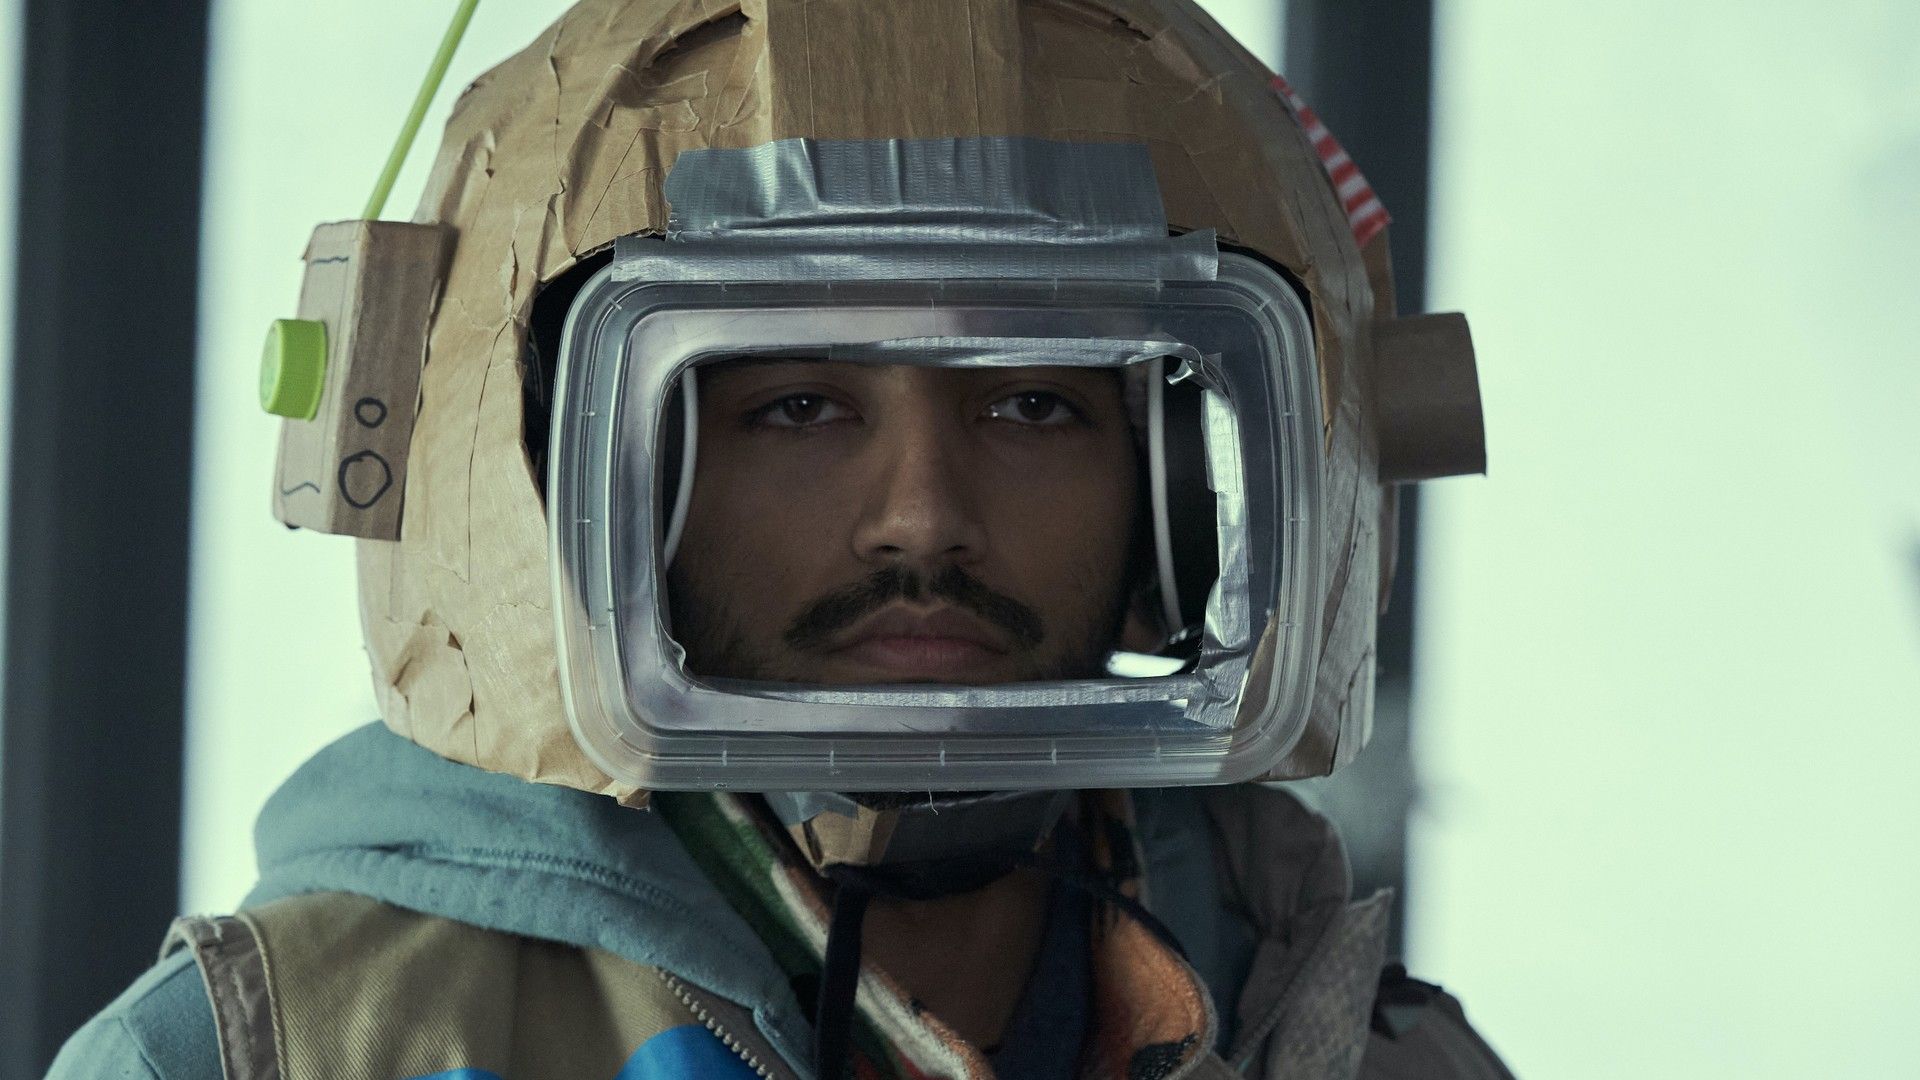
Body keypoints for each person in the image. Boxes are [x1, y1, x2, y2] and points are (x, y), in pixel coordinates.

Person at [50, 1, 1506, 1077]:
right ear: (595, 481)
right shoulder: (258, 1055)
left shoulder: (1362, 1050)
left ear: (1178, 502)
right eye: (799, 407)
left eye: (1035, 405)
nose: (924, 515)